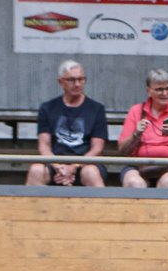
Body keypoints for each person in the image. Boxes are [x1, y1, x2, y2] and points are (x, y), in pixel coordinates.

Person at [26, 59, 108, 187]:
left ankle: (102, 207)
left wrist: (74, 166)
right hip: (55, 162)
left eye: (81, 79)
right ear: (60, 82)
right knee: (36, 170)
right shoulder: (47, 108)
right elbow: (44, 145)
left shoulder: (96, 109)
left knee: (90, 172)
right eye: (71, 80)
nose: (77, 84)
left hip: (85, 163)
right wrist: (59, 167)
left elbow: (97, 148)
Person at [116, 68, 168, 188]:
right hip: (139, 165)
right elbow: (122, 150)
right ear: (149, 91)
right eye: (159, 89)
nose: (165, 93)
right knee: (134, 183)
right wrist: (136, 134)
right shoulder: (136, 111)